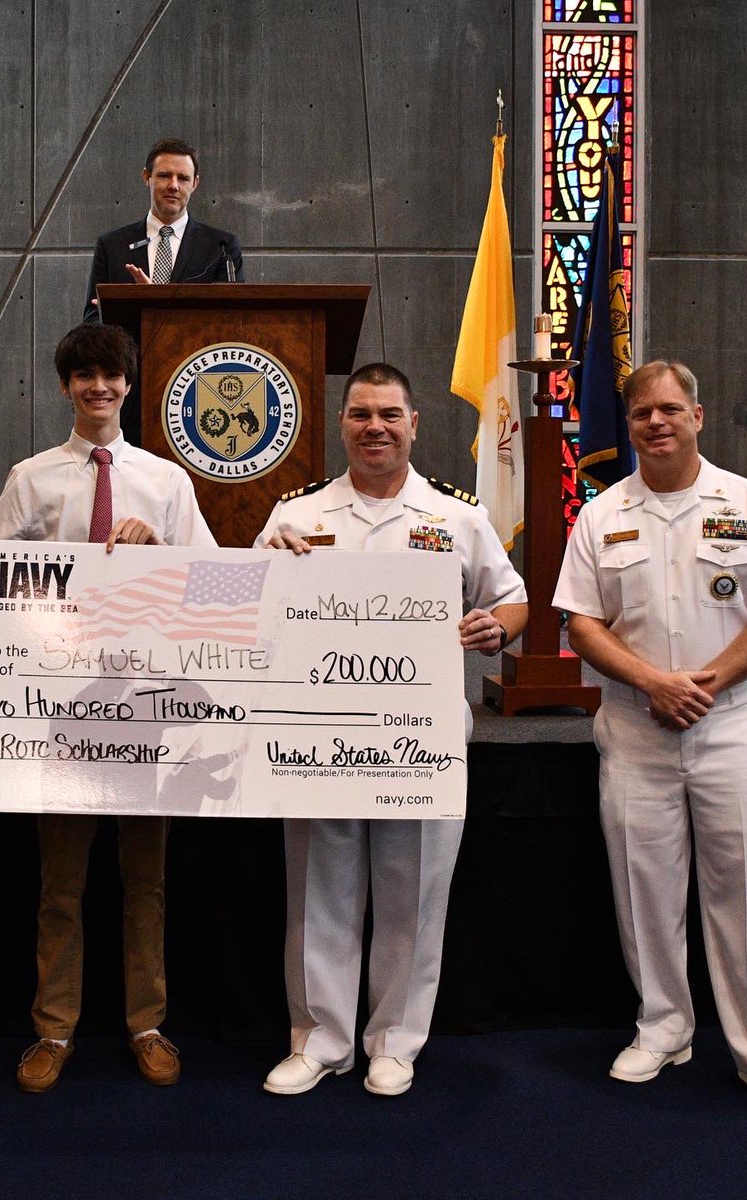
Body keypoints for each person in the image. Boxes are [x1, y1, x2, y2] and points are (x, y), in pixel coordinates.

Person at [0, 323, 215, 1092]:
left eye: (112, 376)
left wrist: (160, 547)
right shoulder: (32, 478)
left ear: (130, 386)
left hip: (147, 711)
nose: (99, 388)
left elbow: (218, 589)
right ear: (66, 387)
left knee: (146, 883)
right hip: (58, 719)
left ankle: (146, 1023)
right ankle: (53, 1030)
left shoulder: (166, 482)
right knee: (61, 886)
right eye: (84, 376)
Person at [254, 362, 527, 1097]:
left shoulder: (457, 517)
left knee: (414, 895)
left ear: (414, 424)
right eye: (360, 414)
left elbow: (513, 601)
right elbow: (240, 614)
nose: (375, 427)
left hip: (422, 739)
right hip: (317, 741)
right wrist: (265, 571)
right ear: (341, 424)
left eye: (389, 415)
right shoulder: (295, 515)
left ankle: (395, 1043)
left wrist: (493, 628)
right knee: (318, 894)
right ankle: (318, 1040)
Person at [553, 360, 747, 1117]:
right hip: (636, 730)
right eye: (642, 413)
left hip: (732, 729)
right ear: (629, 426)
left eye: (669, 409)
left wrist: (704, 683)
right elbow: (581, 622)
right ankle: (663, 1027)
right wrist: (655, 683)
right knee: (643, 891)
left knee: (745, 893)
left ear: (698, 414)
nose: (656, 422)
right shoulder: (601, 514)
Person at [83, 136, 244, 446]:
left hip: (199, 397)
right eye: (164, 175)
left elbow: (232, 327)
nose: (173, 185)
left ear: (195, 183)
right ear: (147, 177)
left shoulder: (221, 247)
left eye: (182, 178)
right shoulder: (113, 245)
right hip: (130, 399)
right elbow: (92, 320)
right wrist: (131, 309)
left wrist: (154, 304)